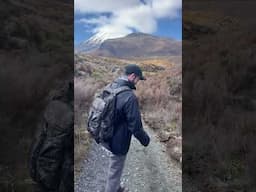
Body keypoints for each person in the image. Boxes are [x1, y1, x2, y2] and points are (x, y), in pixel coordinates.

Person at [104, 64, 150, 192]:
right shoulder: (129, 96)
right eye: (138, 79)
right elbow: (135, 126)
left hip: (107, 134)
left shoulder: (112, 86)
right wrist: (145, 140)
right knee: (115, 168)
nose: (138, 82)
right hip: (118, 140)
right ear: (132, 76)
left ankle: (116, 187)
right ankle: (112, 189)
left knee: (115, 166)